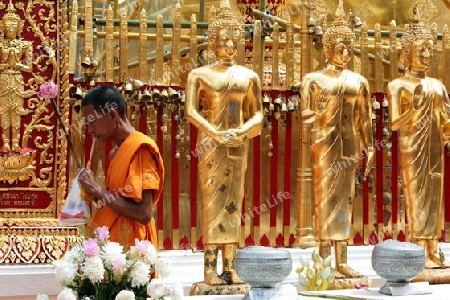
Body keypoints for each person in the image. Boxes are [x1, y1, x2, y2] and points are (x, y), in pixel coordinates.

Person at [185, 0, 263, 286]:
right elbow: (191, 112)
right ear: (212, 41)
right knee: (212, 203)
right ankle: (209, 269)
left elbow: (258, 115)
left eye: (234, 39)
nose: (229, 44)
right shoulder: (199, 75)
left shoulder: (248, 76)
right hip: (211, 144)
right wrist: (215, 133)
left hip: (237, 145)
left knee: (234, 203)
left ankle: (230, 266)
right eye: (223, 39)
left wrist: (241, 131)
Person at [300, 0, 374, 278]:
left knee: (345, 200)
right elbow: (305, 116)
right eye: (338, 46)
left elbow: (364, 119)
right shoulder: (313, 79)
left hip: (349, 146)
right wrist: (316, 111)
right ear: (327, 47)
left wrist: (370, 148)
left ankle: (342, 259)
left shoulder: (358, 81)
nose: (344, 51)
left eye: (348, 46)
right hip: (324, 146)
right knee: (324, 199)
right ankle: (323, 259)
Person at [387, 6, 449, 268]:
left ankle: (433, 247)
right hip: (412, 147)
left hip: (435, 147)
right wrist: (412, 110)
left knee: (435, 196)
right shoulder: (398, 85)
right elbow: (393, 123)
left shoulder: (438, 85)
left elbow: (446, 119)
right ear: (406, 53)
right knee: (415, 195)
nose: (425, 53)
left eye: (428, 49)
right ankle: (417, 247)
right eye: (419, 49)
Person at [77, 85, 165, 250]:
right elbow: (118, 202)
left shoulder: (141, 148)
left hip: (132, 250)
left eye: (92, 122)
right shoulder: (115, 153)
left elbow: (143, 214)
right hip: (113, 247)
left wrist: (97, 189)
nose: (89, 130)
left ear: (112, 114)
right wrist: (92, 191)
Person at [0, 1, 32, 153]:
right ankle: (5, 141)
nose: (11, 28)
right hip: (4, 78)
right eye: (8, 26)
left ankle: (15, 141)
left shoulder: (25, 45)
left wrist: (17, 65)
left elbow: (29, 67)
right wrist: (7, 66)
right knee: (4, 109)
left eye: (14, 26)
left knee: (16, 110)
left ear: (19, 27)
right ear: (2, 27)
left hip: (18, 78)